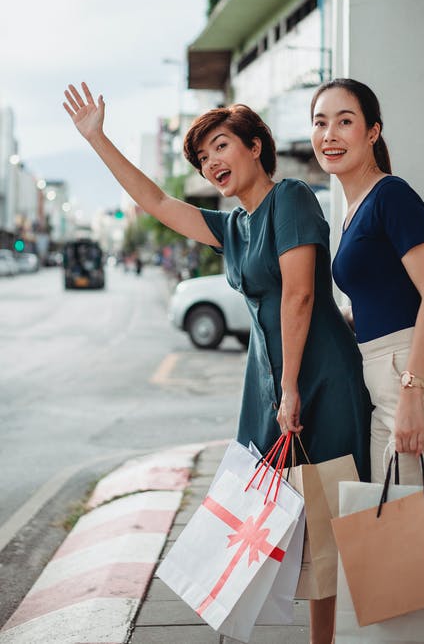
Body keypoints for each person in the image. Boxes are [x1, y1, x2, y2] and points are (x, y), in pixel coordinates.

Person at [63, 82, 372, 644]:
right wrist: (97, 140)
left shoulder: (293, 198)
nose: (212, 164)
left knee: (325, 517)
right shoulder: (232, 228)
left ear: (256, 147)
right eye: (203, 159)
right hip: (270, 387)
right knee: (262, 518)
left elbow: (300, 296)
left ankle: (325, 639)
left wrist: (293, 388)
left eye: (222, 147)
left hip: (316, 378)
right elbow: (156, 203)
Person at [310, 78, 424, 485]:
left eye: (344, 122)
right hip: (381, 371)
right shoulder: (354, 209)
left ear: (372, 132)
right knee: (396, 527)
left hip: (412, 372)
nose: (329, 135)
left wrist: (412, 391)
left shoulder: (391, 195)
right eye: (320, 123)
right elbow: (382, 289)